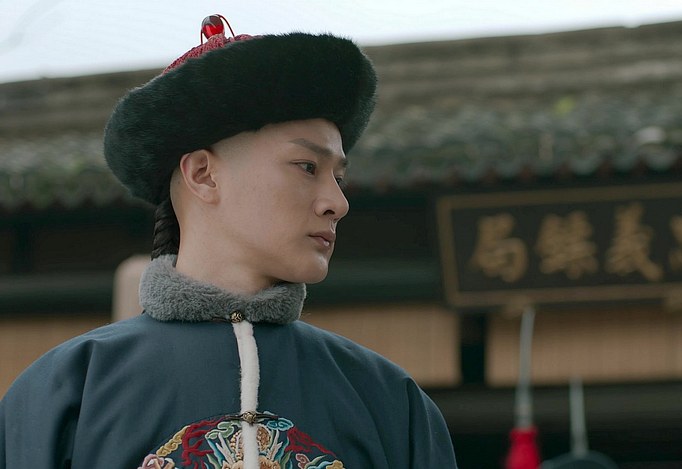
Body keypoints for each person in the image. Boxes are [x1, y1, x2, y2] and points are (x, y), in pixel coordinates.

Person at [0, 15, 458, 469]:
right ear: (203, 174)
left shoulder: (388, 401)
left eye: (338, 178)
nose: (337, 203)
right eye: (307, 167)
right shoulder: (67, 394)